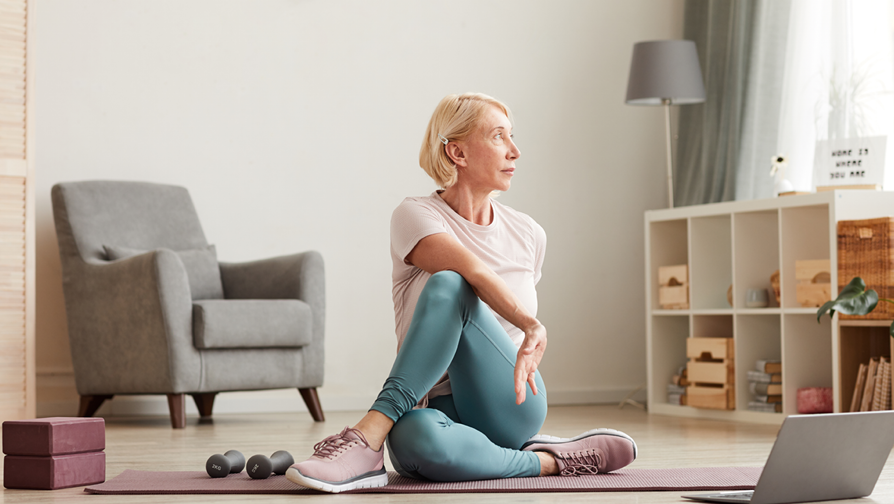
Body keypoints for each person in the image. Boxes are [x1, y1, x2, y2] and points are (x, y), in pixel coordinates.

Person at [286, 93, 637, 493]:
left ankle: (366, 439)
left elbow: (490, 323)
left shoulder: (528, 234)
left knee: (452, 285)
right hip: (437, 409)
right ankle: (549, 461)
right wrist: (531, 323)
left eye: (512, 137)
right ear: (457, 152)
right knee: (413, 440)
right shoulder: (415, 215)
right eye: (499, 137)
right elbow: (471, 269)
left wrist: (526, 328)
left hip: (510, 401)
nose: (515, 151)